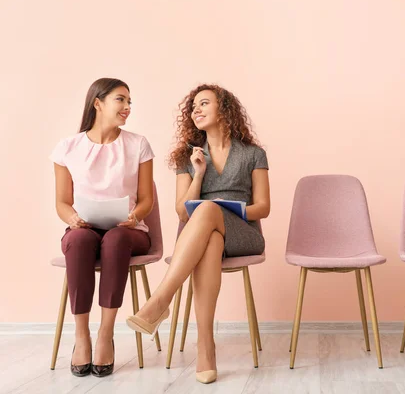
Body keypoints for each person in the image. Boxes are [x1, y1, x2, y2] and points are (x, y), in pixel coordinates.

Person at [126, 84, 270, 384]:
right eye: (193, 107)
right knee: (209, 233)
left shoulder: (253, 154)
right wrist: (199, 174)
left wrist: (227, 208)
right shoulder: (186, 157)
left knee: (207, 209)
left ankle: (160, 301)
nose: (197, 110)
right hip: (202, 236)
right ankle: (206, 348)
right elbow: (182, 211)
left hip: (243, 233)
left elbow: (263, 208)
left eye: (204, 104)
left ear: (225, 110)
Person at [51, 78, 155, 377]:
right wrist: (72, 218)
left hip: (128, 231)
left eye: (129, 102)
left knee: (116, 239)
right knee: (80, 241)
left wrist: (135, 215)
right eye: (120, 100)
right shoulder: (67, 147)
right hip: (85, 227)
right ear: (98, 103)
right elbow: (61, 202)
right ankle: (81, 335)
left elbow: (147, 199)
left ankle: (105, 334)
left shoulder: (137, 144)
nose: (127, 107)